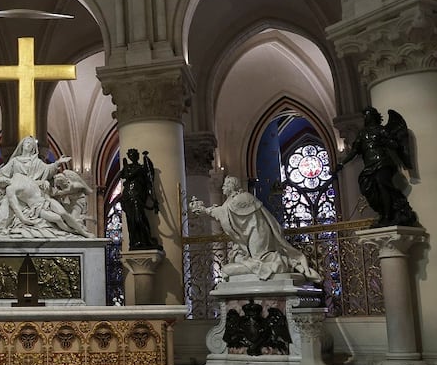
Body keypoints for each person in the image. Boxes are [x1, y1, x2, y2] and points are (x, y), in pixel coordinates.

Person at [190, 176, 319, 281]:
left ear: (231, 186)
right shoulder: (231, 200)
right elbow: (224, 213)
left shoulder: (241, 198)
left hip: (258, 232)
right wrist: (205, 211)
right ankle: (289, 264)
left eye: (225, 185)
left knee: (260, 258)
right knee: (237, 260)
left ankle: (287, 263)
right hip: (251, 234)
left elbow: (223, 212)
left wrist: (204, 210)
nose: (223, 187)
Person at [0, 136, 88, 238]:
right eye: (26, 142)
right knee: (5, 203)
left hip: (37, 194)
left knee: (61, 215)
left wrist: (58, 162)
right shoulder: (15, 162)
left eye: (30, 143)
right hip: (24, 199)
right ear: (22, 145)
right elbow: (1, 172)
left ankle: (77, 231)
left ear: (33, 148)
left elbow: (47, 170)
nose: (28, 144)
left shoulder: (37, 162)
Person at [334, 107, 420, 228]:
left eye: (367, 115)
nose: (365, 118)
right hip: (370, 166)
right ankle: (383, 211)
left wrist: (384, 140)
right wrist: (341, 164)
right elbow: (354, 151)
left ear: (373, 116)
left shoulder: (381, 130)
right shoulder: (362, 134)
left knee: (382, 183)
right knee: (367, 187)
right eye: (364, 116)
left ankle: (387, 215)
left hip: (383, 163)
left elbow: (395, 144)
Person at [119, 148, 160, 250]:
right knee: (131, 220)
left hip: (138, 195)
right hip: (128, 196)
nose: (132, 157)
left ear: (137, 156)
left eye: (134, 155)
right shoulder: (127, 168)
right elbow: (122, 175)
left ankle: (146, 240)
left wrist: (153, 199)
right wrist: (125, 167)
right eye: (131, 155)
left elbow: (148, 185)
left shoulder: (141, 169)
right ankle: (134, 242)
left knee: (139, 218)